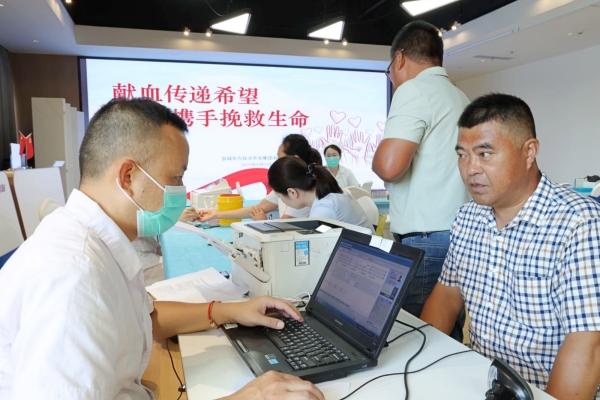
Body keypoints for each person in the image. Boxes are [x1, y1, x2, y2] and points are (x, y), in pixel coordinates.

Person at [0, 98, 324, 400]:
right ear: (128, 176)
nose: (181, 190)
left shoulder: (95, 243)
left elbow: (147, 317)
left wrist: (231, 311)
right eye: (176, 177)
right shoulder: (74, 277)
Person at [420, 93, 600, 398]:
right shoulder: (468, 217)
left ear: (529, 151)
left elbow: (588, 345)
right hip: (483, 382)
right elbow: (446, 299)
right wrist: (416, 369)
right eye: (462, 155)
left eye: (484, 153)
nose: (470, 169)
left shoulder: (579, 222)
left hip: (542, 392)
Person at [371, 20, 470, 341]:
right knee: (447, 337)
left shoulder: (413, 90)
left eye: (389, 69)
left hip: (426, 241)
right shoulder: (460, 97)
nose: (391, 77)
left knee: (417, 341)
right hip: (458, 237)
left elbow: (389, 167)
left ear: (399, 59)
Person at [199, 134, 322, 222]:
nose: (277, 162)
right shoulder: (287, 183)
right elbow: (258, 209)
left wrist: (263, 223)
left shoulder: (303, 193)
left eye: (279, 157)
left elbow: (283, 229)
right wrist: (216, 214)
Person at [268, 156, 374, 233]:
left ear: (292, 192)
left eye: (279, 196)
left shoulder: (323, 209)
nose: (281, 199)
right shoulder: (330, 196)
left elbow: (315, 247)